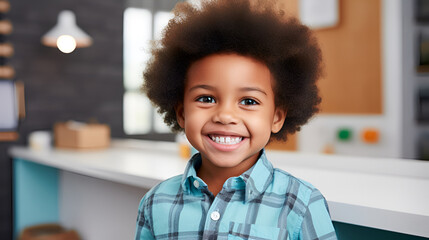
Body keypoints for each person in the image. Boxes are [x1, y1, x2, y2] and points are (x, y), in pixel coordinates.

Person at [135, 0, 337, 239]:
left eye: (249, 101)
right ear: (181, 113)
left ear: (277, 117)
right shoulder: (155, 202)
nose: (225, 116)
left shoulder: (301, 204)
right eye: (207, 98)